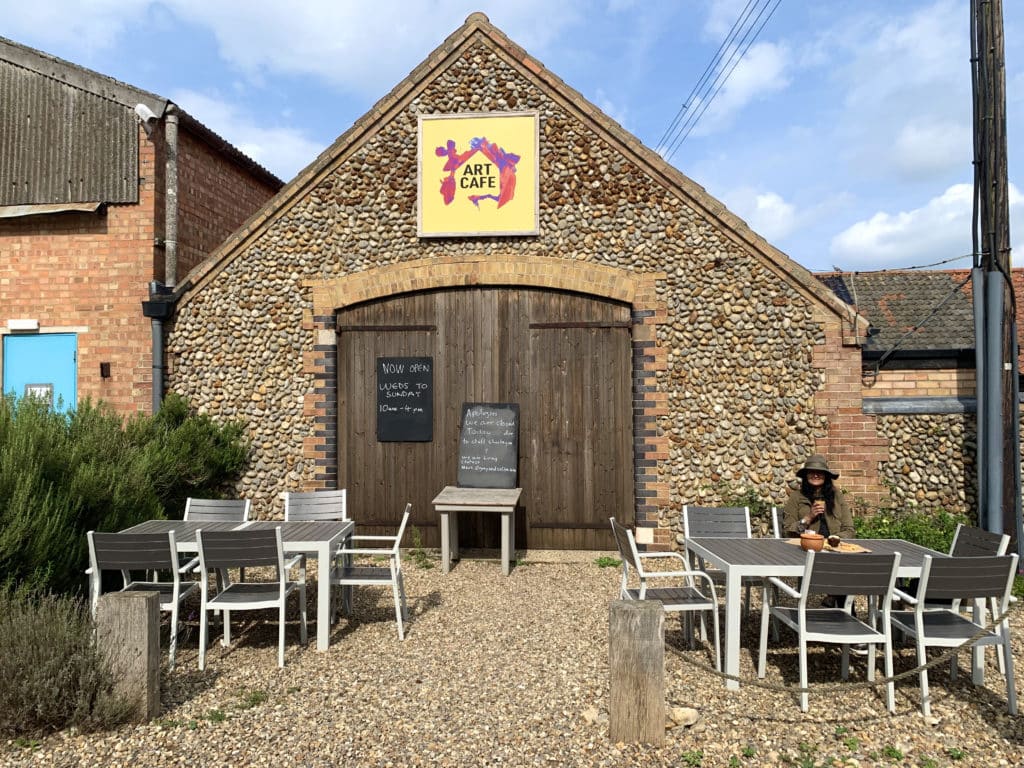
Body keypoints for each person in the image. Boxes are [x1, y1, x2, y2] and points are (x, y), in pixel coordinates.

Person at [783, 454, 856, 539]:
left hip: (833, 546)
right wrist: (808, 518)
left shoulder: (837, 496)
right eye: (811, 472)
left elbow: (849, 529)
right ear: (806, 475)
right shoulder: (796, 497)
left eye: (819, 472)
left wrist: (834, 539)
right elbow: (787, 532)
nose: (815, 475)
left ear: (826, 476)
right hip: (807, 545)